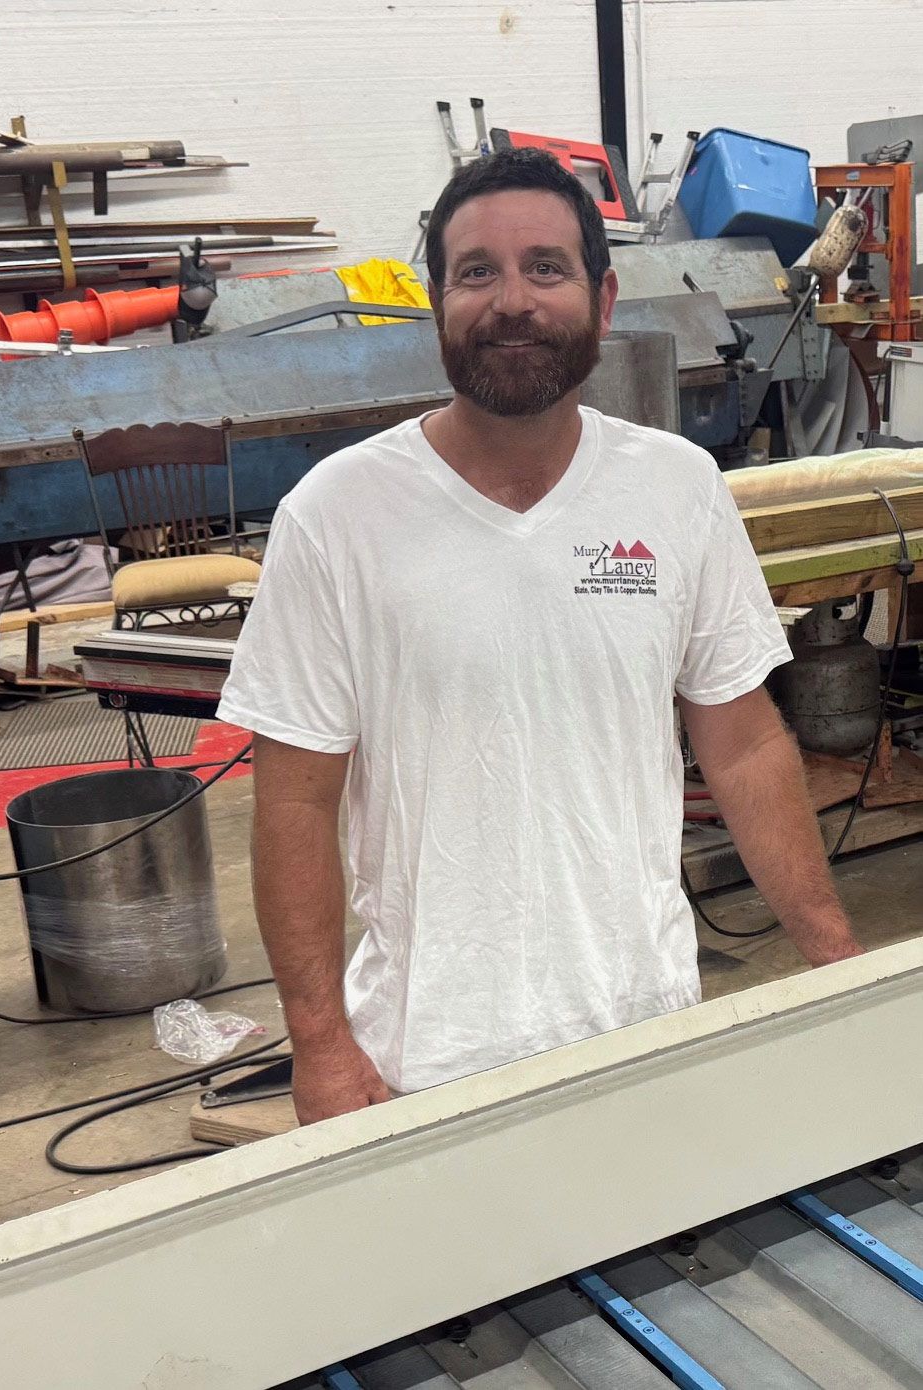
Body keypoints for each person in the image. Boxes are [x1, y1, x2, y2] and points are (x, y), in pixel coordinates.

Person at [215, 147, 864, 1124]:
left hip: (642, 1027)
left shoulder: (677, 490)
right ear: (435, 303)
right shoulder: (336, 518)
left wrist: (834, 957)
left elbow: (744, 742)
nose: (510, 300)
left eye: (544, 268)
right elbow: (297, 806)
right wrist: (320, 1044)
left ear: (602, 302)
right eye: (476, 271)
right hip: (423, 1059)